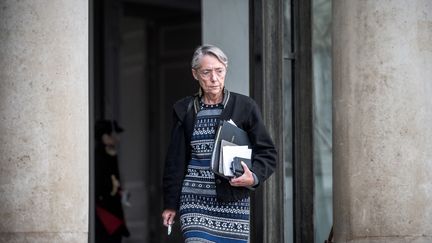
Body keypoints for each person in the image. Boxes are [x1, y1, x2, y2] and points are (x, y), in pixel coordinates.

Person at [162, 44, 277, 242]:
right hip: (194, 202)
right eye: (206, 72)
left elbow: (267, 152)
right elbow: (175, 161)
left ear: (226, 69)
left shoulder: (245, 107)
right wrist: (171, 203)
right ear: (195, 74)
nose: (214, 78)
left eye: (219, 71)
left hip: (232, 203)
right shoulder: (185, 109)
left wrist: (254, 177)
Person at [94, 120, 130, 243]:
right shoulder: (98, 156)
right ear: (105, 137)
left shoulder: (110, 153)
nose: (118, 137)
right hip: (105, 213)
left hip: (112, 211)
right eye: (114, 134)